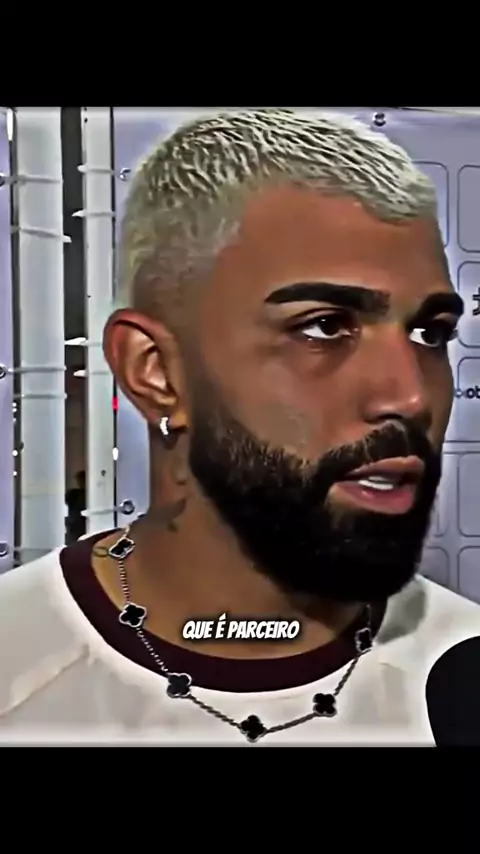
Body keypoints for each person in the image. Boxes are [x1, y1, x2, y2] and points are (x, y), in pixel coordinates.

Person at [1, 108, 479, 745]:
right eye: (324, 326)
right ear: (156, 371)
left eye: (430, 334)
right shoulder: (18, 667)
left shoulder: (461, 676)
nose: (411, 395)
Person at [65, 470, 86, 543]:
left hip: (82, 525)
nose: (80, 483)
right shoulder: (73, 494)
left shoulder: (89, 496)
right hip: (74, 526)